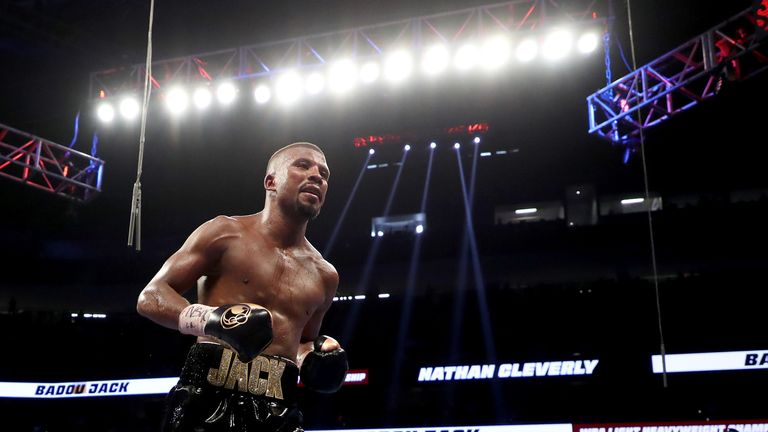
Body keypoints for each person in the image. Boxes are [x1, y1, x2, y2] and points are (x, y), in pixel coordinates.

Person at [137, 142, 348, 432]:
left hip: (279, 408)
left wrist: (316, 356)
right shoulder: (224, 233)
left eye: (324, 174)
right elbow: (151, 296)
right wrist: (213, 321)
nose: (317, 176)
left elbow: (302, 341)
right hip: (208, 396)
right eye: (302, 165)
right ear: (270, 181)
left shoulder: (325, 275)